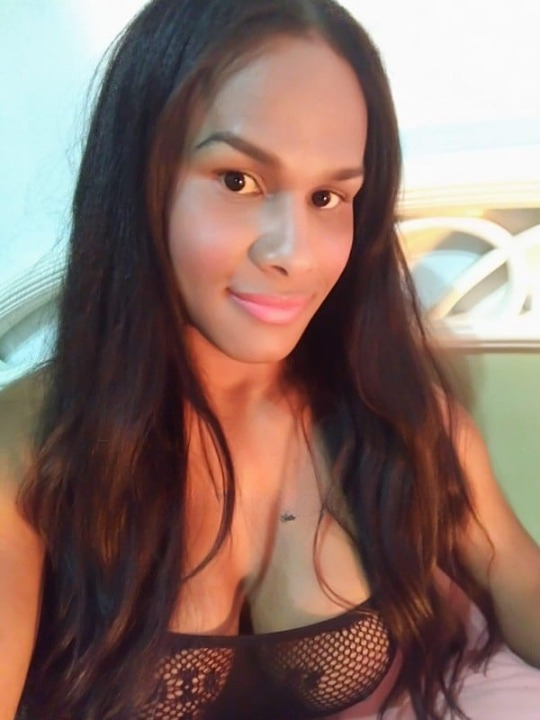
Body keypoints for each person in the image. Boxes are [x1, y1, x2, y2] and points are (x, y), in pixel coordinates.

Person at [1, 0, 539, 718]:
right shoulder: (30, 453)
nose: (295, 254)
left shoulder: (395, 413)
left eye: (328, 196)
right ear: (139, 175)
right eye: (238, 180)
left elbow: (520, 584)